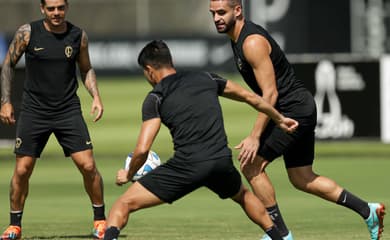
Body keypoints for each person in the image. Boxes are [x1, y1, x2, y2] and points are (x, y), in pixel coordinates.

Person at [208, 0, 385, 240]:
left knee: (251, 165)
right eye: (213, 13)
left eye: (221, 12)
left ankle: (280, 235)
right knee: (302, 178)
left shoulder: (251, 42)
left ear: (237, 10)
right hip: (295, 109)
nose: (217, 18)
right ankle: (368, 211)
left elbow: (270, 93)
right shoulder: (237, 39)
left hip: (293, 111)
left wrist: (254, 136)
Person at [103, 40, 299, 240]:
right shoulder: (207, 78)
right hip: (221, 161)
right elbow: (251, 97)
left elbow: (143, 150)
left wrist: (129, 174)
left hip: (187, 166)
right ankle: (279, 237)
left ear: (149, 70)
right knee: (243, 196)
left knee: (123, 204)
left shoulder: (156, 97)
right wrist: (279, 118)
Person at [0, 0, 106, 239]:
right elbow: (7, 65)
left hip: (67, 110)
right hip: (34, 111)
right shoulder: (27, 33)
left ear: (66, 7)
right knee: (22, 170)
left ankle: (100, 220)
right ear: (42, 9)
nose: (56, 13)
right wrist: (5, 101)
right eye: (51, 8)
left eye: (60, 7)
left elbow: (86, 69)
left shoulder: (78, 35)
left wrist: (96, 96)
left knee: (88, 166)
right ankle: (14, 225)